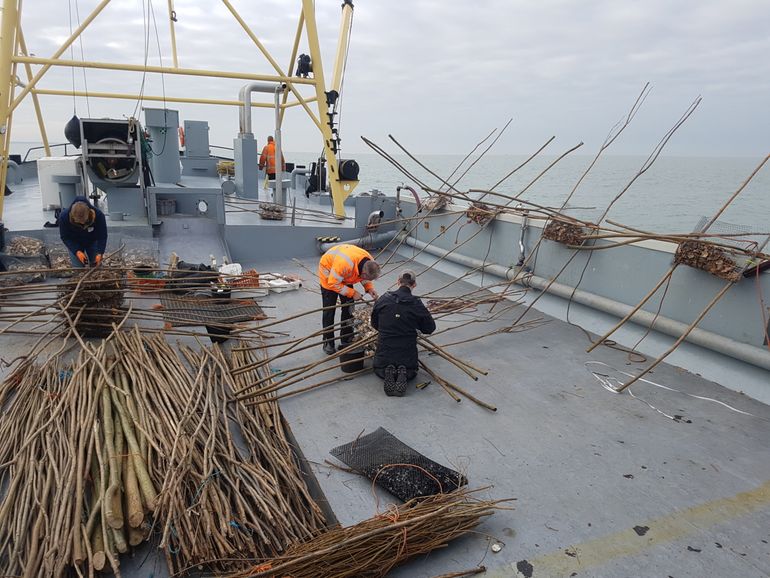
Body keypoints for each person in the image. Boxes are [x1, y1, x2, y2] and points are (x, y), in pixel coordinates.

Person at [371, 269, 436, 397]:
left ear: (398, 282)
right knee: (410, 370)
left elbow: (374, 324)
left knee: (380, 367)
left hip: (384, 352)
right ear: (414, 285)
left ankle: (387, 370)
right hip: (407, 354)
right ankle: (403, 371)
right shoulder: (416, 304)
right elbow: (430, 328)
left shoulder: (383, 299)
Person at [318, 244, 380, 355]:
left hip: (345, 275)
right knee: (329, 310)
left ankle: (346, 337)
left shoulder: (370, 262)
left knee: (349, 309)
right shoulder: (345, 265)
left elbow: (363, 277)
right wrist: (352, 293)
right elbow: (333, 283)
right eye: (367, 278)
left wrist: (369, 288)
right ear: (364, 273)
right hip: (329, 273)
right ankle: (328, 341)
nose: (367, 280)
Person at [59, 197, 107, 268]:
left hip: (92, 241)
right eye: (79, 222)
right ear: (72, 216)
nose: (82, 223)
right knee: (78, 268)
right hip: (74, 241)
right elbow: (65, 237)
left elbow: (102, 236)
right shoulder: (64, 217)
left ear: (89, 212)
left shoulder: (99, 215)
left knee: (97, 266)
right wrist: (76, 251)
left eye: (84, 221)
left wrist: (100, 252)